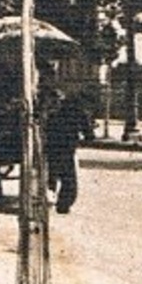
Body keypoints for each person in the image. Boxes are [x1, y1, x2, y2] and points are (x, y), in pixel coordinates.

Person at [43, 84, 95, 214]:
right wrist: (89, 136)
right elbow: (86, 127)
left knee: (53, 171)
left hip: (52, 144)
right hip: (66, 146)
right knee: (68, 176)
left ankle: (51, 191)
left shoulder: (53, 108)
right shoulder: (77, 109)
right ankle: (63, 203)